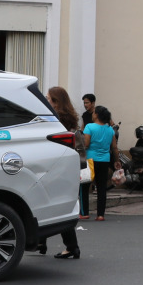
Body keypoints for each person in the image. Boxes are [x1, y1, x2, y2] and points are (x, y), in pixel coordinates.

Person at [42, 87, 83, 259]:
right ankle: (43, 243)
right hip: (67, 167)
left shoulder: (55, 120)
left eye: (48, 98)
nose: (46, 100)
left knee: (53, 205)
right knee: (55, 204)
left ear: (56, 102)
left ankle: (71, 247)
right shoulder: (70, 119)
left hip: (56, 166)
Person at [83, 106, 117, 221]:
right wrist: (116, 161)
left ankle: (84, 213)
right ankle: (100, 215)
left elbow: (86, 144)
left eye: (93, 113)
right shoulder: (110, 129)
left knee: (85, 186)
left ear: (97, 115)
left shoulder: (89, 127)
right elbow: (114, 147)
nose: (92, 115)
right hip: (105, 160)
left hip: (90, 160)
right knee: (102, 187)